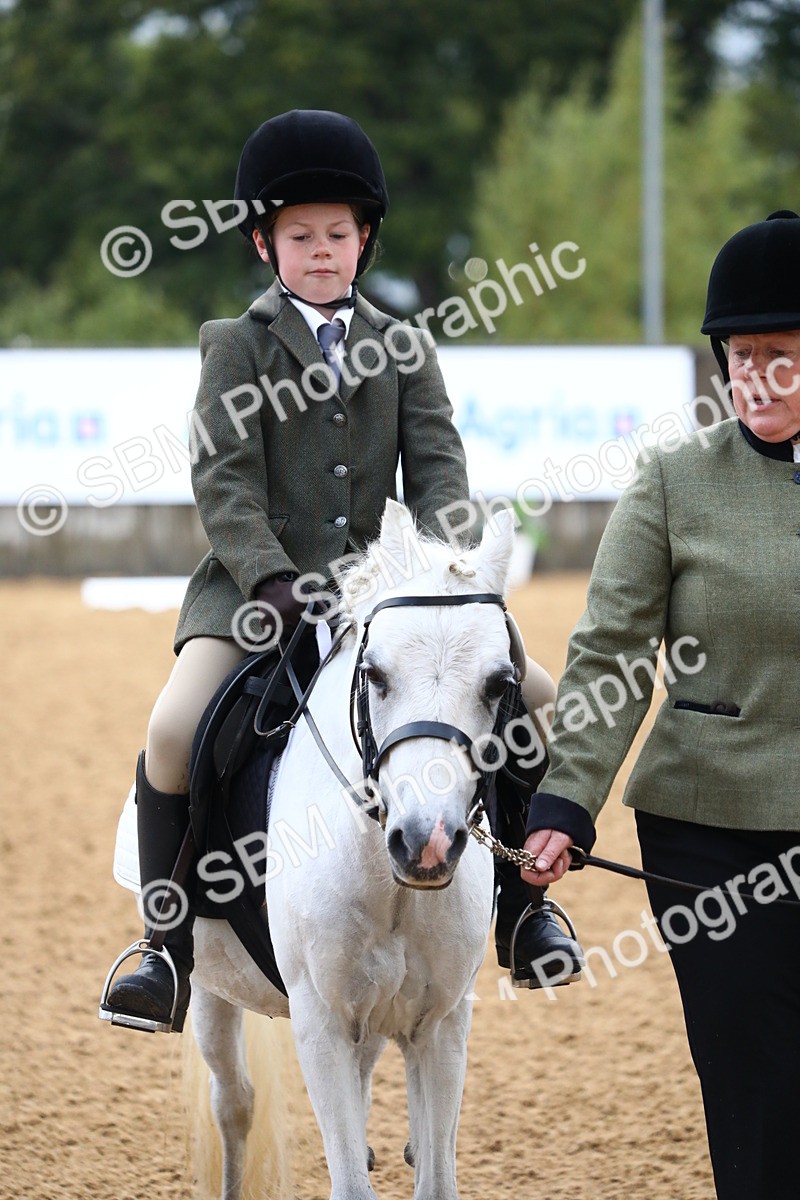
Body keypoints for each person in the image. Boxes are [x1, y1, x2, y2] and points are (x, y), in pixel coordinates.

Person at [102, 108, 581, 1035]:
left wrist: (443, 574)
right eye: (299, 235)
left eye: (336, 234)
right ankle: (162, 949)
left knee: (536, 697)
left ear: (364, 239)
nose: (320, 251)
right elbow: (224, 481)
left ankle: (525, 913)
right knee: (171, 732)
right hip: (255, 597)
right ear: (264, 242)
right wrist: (272, 579)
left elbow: (441, 477)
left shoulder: (406, 348)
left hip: (393, 595)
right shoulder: (234, 346)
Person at [521, 209, 800, 1199]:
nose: (754, 377)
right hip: (706, 826)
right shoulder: (676, 482)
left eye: (779, 353)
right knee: (753, 1083)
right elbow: (609, 655)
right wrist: (564, 800)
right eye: (738, 355)